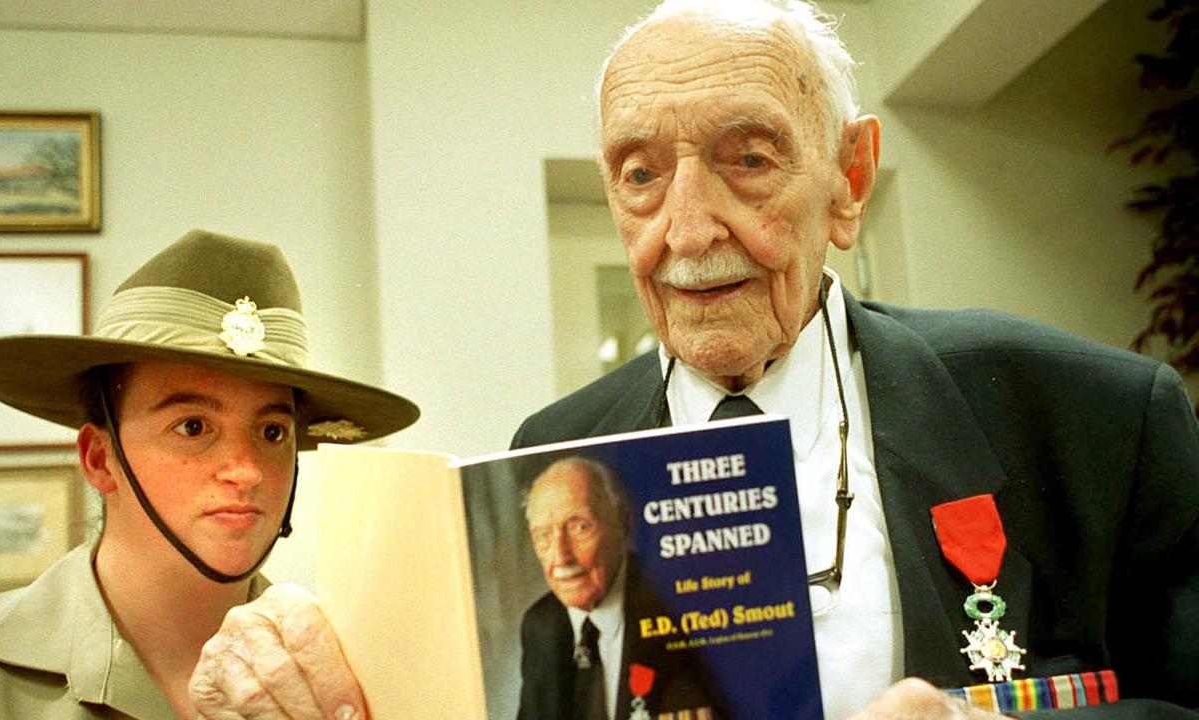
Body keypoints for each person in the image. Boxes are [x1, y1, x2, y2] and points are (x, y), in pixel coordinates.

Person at [512, 1, 1199, 719]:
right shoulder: (553, 453)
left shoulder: (1091, 418)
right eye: (640, 174)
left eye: (748, 159)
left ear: (851, 178)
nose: (686, 231)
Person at [0, 229, 419, 719]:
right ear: (99, 459)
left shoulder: (352, 675)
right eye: (193, 426)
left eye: (271, 433)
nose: (246, 472)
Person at [517, 456, 722, 720]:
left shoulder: (679, 607)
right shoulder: (539, 625)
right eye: (543, 536)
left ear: (623, 526)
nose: (560, 557)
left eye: (580, 527)